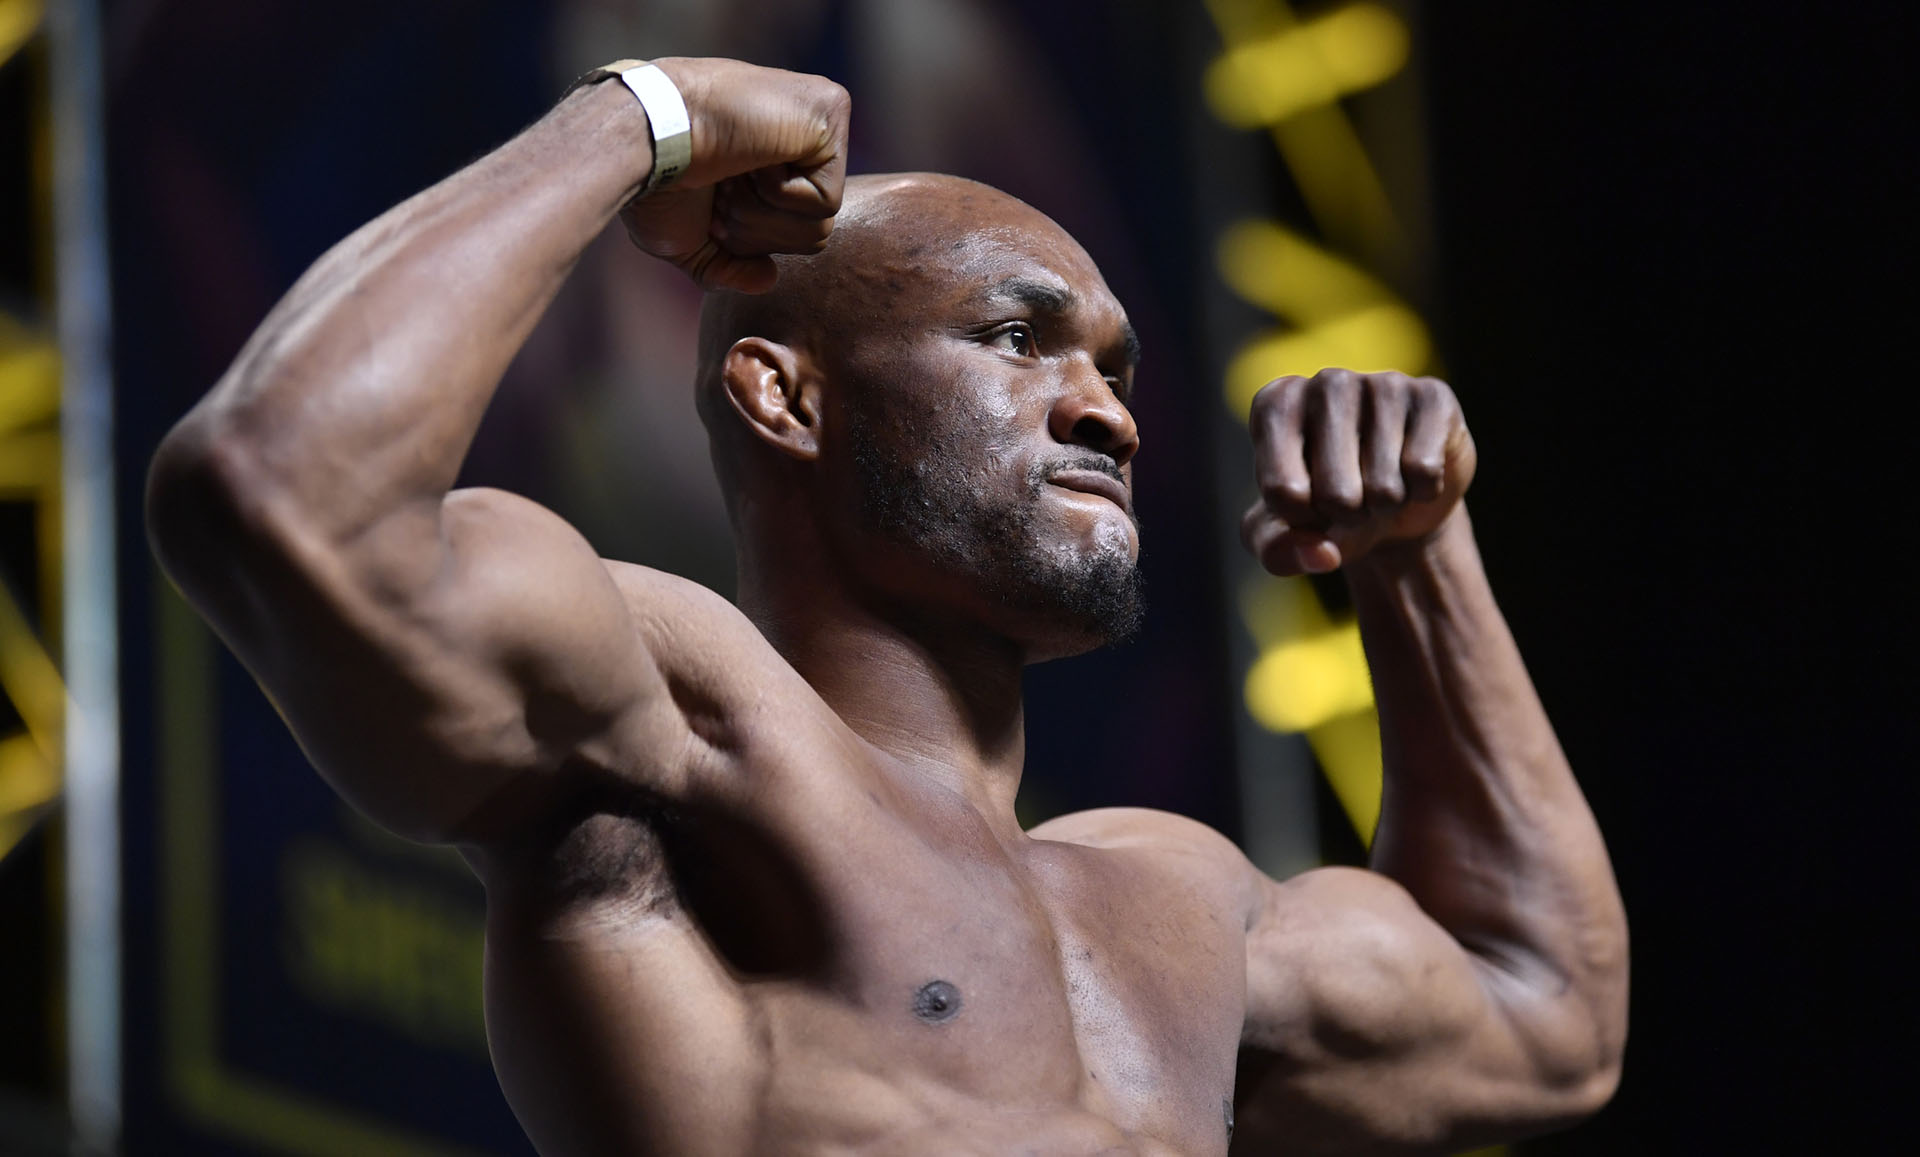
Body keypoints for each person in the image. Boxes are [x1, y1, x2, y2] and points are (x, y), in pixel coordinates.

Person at [146, 56, 1627, 1156]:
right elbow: (280, 490)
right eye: (1017, 338)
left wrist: (1415, 552)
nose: (1107, 413)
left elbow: (1544, 1013)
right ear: (784, 396)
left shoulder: (1181, 901)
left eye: (1115, 369)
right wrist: (636, 121)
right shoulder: (689, 728)